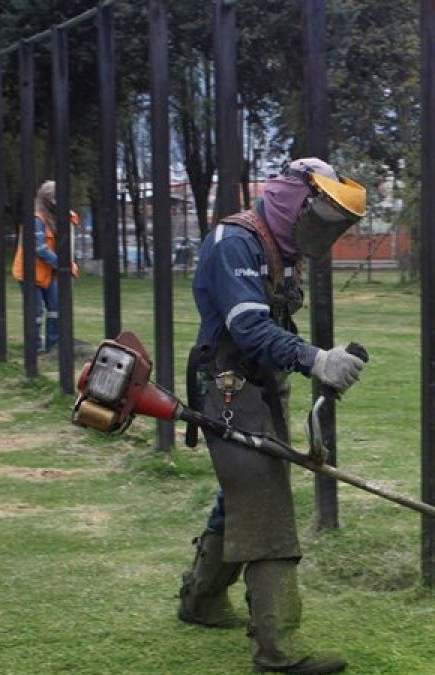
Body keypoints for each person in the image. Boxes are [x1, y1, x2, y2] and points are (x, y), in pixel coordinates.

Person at [179, 158, 366, 674]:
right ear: (289, 199)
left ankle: (201, 600)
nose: (322, 233)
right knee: (267, 511)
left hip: (257, 386)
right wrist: (316, 359)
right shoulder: (234, 243)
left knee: (242, 496)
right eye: (321, 219)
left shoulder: (279, 248)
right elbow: (249, 331)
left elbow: (271, 332)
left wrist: (312, 362)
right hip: (227, 388)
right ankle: (276, 653)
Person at [12, 180, 79, 354]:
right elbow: (39, 248)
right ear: (46, 200)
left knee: (56, 308)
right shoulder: (36, 219)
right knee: (35, 311)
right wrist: (63, 264)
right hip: (30, 273)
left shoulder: (56, 218)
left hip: (49, 273)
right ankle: (33, 348)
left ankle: (53, 347)